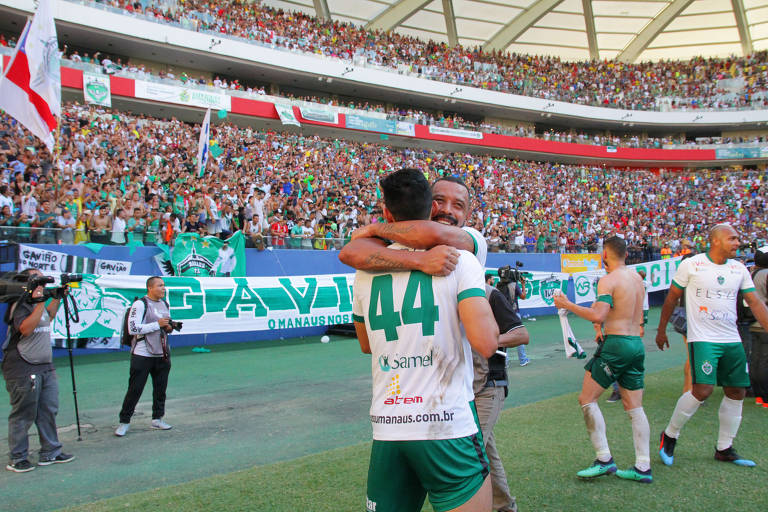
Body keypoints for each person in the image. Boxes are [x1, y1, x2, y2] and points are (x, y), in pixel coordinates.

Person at [349, 168, 498, 512]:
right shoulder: (463, 260)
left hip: (389, 426)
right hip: (446, 423)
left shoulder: (368, 264)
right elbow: (486, 344)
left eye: (457, 204)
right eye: (440, 201)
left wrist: (374, 231)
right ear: (427, 204)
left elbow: (366, 343)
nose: (448, 209)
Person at [656, 225, 768, 467]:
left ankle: (724, 448)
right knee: (703, 389)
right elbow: (672, 297)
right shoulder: (692, 264)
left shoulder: (739, 269)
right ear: (716, 241)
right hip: (704, 338)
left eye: (738, 238)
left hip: (731, 339)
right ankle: (669, 435)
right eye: (733, 238)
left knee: (736, 391)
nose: (738, 243)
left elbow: (755, 302)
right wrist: (661, 329)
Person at [554, 236, 651, 483]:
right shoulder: (637, 280)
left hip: (617, 344)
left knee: (586, 399)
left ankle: (604, 459)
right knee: (634, 406)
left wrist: (567, 304)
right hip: (636, 344)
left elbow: (599, 312)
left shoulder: (609, 280)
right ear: (626, 254)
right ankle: (643, 467)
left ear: (605, 255)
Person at [2, 269, 75, 472]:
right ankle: (18, 457)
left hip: (44, 366)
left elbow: (48, 317)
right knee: (24, 413)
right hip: (22, 367)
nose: (41, 281)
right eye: (36, 278)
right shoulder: (19, 304)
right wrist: (40, 300)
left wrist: (57, 298)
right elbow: (25, 329)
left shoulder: (37, 304)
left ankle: (50, 451)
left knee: (48, 410)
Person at [474, 273, 529, 512]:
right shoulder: (446, 295)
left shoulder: (489, 294)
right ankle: (506, 506)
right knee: (485, 450)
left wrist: (490, 340)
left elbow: (521, 334)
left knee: (469, 453)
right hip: (464, 389)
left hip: (489, 385)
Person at [115, 277, 174, 437]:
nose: (163, 288)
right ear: (150, 288)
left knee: (160, 389)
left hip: (162, 353)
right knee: (135, 389)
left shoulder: (164, 304)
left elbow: (163, 325)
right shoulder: (140, 304)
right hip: (142, 354)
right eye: (160, 286)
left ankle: (157, 418)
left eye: (164, 285)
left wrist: (169, 327)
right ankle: (124, 422)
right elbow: (133, 328)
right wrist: (158, 324)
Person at [749, 247, 768, 408]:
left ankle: (759, 395)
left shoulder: (752, 274)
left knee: (755, 360)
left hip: (752, 322)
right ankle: (765, 397)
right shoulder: (765, 275)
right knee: (763, 361)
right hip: (764, 322)